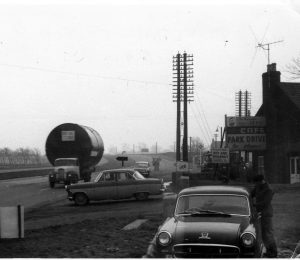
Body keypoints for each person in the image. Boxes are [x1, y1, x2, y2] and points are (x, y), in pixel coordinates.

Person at [251, 174, 277, 258]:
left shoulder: (268, 190)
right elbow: (251, 194)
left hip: (266, 214)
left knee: (268, 233)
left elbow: (265, 202)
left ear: (261, 181)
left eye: (257, 183)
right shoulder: (258, 187)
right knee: (263, 234)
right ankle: (269, 251)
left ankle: (273, 252)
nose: (255, 185)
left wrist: (255, 205)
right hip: (260, 214)